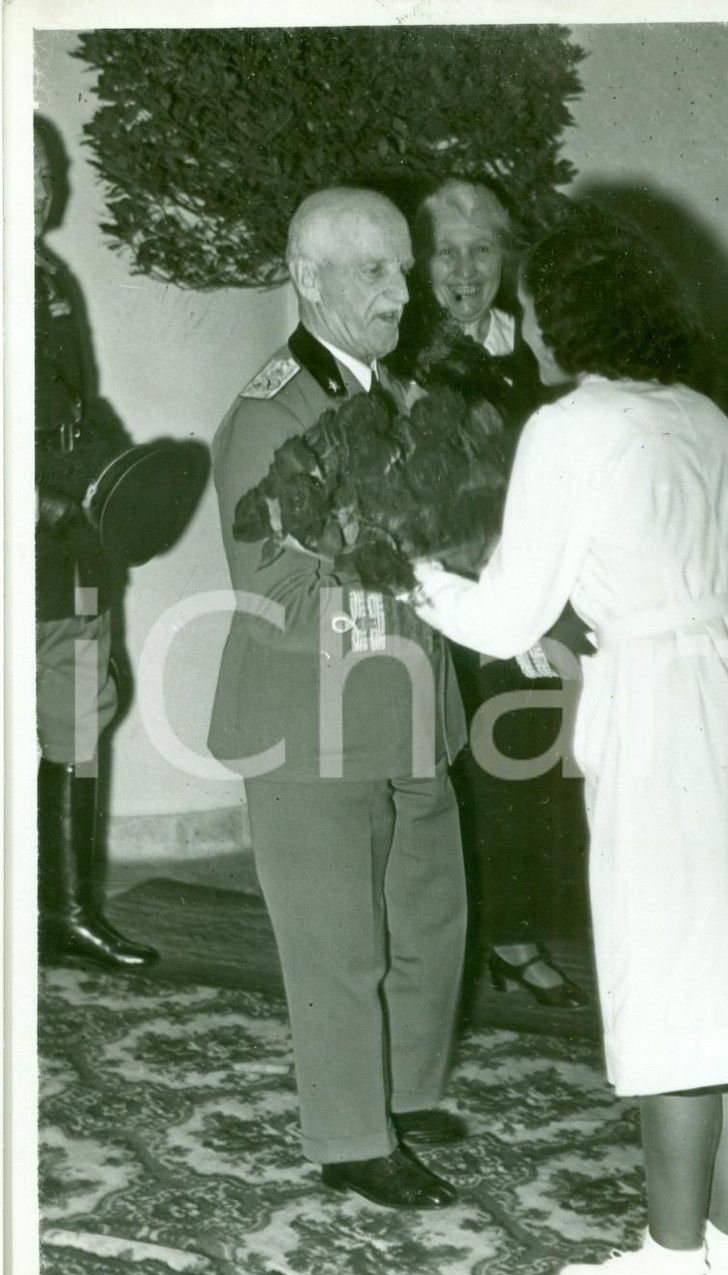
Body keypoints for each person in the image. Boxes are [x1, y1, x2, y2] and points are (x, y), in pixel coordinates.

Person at [407, 204, 728, 1275]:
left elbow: (505, 609)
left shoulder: (574, 425)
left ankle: (668, 1264)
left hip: (666, 706)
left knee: (674, 979)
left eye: (530, 304)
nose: (525, 324)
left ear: (564, 316)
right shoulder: (706, 415)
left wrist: (412, 570)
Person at [209, 187, 469, 1210]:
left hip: (411, 706)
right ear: (306, 278)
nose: (402, 291)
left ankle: (404, 1090)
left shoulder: (397, 392)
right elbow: (270, 584)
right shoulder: (271, 411)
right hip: (314, 716)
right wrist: (402, 557)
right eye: (374, 271)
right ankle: (352, 1136)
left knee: (428, 919)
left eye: (403, 269)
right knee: (338, 945)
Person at [404, 178, 590, 1009]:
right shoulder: (400, 350)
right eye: (446, 252)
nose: (465, 270)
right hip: (437, 584)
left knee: (523, 757)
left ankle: (513, 936)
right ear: (420, 263)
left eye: (481, 250)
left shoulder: (533, 350)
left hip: (527, 580)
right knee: (446, 766)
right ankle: (445, 944)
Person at [34, 116, 160, 972]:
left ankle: (68, 913)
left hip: (67, 540)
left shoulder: (49, 277)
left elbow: (77, 404)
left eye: (48, 176)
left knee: (78, 707)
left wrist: (126, 478)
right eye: (24, 178)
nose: (43, 193)